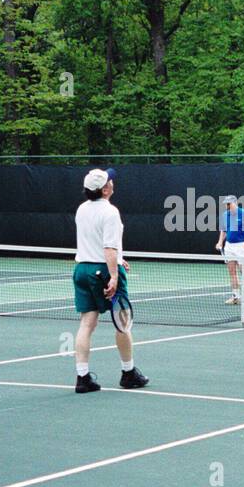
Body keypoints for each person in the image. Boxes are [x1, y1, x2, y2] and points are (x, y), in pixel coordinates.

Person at [71, 168, 149, 393]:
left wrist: (119, 259)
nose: (112, 181)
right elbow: (108, 247)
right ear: (105, 189)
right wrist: (114, 274)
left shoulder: (81, 209)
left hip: (82, 268)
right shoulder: (111, 212)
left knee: (87, 323)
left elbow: (96, 241)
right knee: (122, 322)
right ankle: (128, 373)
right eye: (109, 181)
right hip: (103, 270)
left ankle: (82, 377)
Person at [215, 195, 244, 305]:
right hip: (229, 247)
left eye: (229, 204)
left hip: (241, 246)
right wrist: (220, 242)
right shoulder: (225, 215)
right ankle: (235, 296)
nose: (227, 206)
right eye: (226, 204)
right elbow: (224, 230)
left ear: (235, 203)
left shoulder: (243, 213)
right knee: (232, 272)